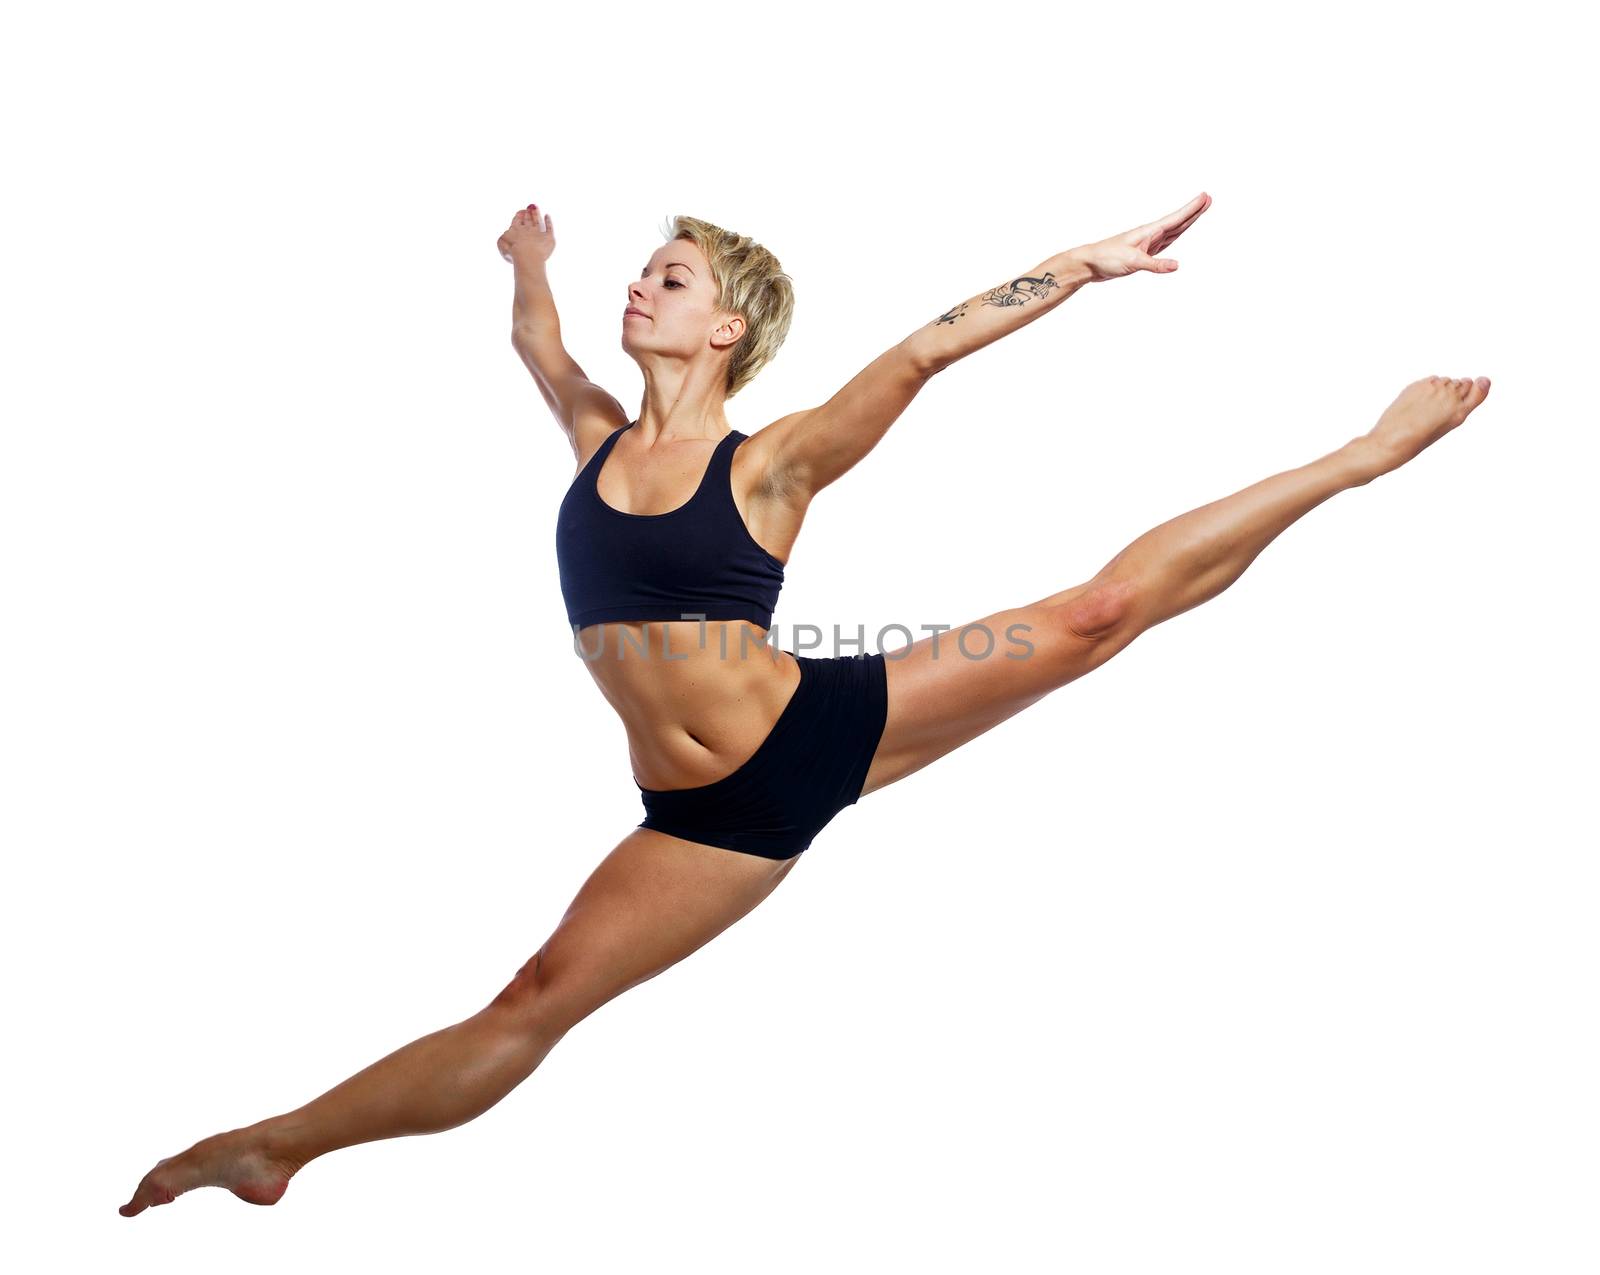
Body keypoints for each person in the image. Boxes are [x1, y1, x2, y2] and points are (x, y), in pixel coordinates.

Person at [118, 192, 1490, 1215]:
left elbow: (922, 353)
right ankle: (276, 1146)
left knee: (1095, 615)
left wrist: (1077, 266)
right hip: (705, 813)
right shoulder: (595, 435)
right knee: (533, 996)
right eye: (640, 272)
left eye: (669, 276)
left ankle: (1364, 456)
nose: (638, 289)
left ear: (726, 328)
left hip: (812, 725)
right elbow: (538, 344)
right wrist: (527, 261)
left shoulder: (769, 464)